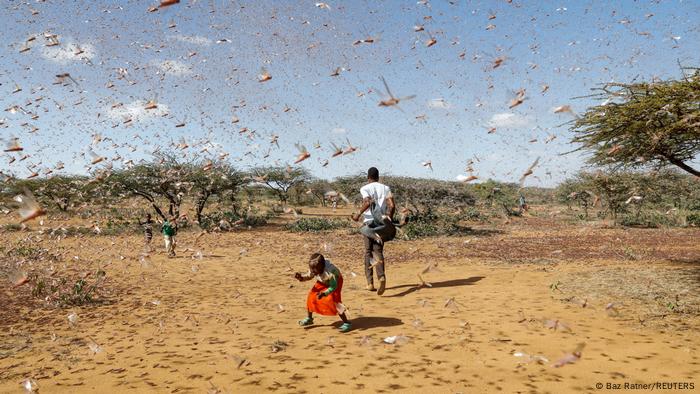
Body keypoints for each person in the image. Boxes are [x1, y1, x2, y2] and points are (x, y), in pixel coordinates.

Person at [351, 167, 395, 295]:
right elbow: (392, 206)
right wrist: (389, 218)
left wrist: (357, 214)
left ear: (368, 177)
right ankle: (381, 277)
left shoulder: (365, 188)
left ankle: (370, 283)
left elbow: (367, 201)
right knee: (378, 251)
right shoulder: (386, 188)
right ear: (378, 177)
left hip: (369, 223)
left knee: (368, 252)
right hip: (381, 224)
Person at [295, 253, 351, 333]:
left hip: (335, 282)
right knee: (311, 295)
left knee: (336, 302)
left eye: (315, 270)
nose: (313, 272)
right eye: (311, 269)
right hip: (323, 281)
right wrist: (301, 278)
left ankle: (347, 322)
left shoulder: (330, 272)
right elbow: (309, 276)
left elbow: (333, 286)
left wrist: (324, 293)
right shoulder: (315, 268)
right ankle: (309, 318)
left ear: (321, 267)